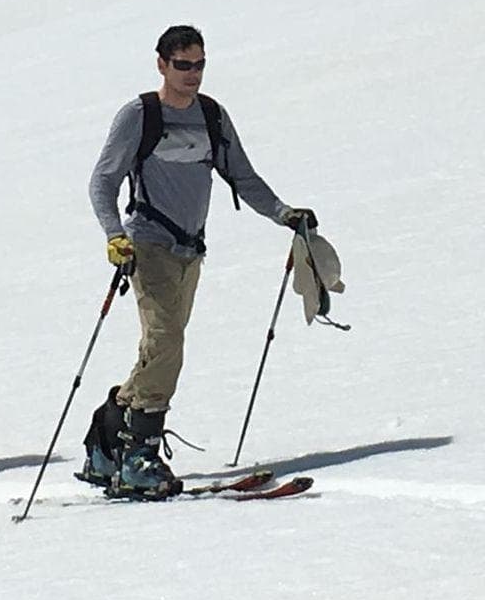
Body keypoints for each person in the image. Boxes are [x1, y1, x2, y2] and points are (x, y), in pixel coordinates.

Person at [86, 25, 316, 499]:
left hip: (191, 251)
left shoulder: (211, 116)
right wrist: (114, 235)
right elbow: (103, 181)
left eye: (200, 64)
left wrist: (283, 213)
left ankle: (106, 441)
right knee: (167, 342)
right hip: (147, 245)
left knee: (160, 348)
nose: (193, 74)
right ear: (162, 65)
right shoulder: (140, 115)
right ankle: (139, 456)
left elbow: (242, 177)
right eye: (183, 65)